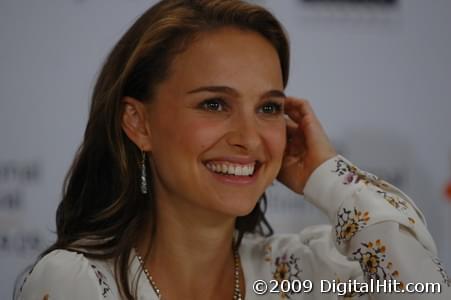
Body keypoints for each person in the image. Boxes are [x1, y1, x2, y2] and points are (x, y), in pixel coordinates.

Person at [16, 0, 450, 299]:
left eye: (268, 107)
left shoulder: (298, 274)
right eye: (214, 104)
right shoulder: (79, 282)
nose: (249, 136)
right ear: (138, 122)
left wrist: (328, 176)